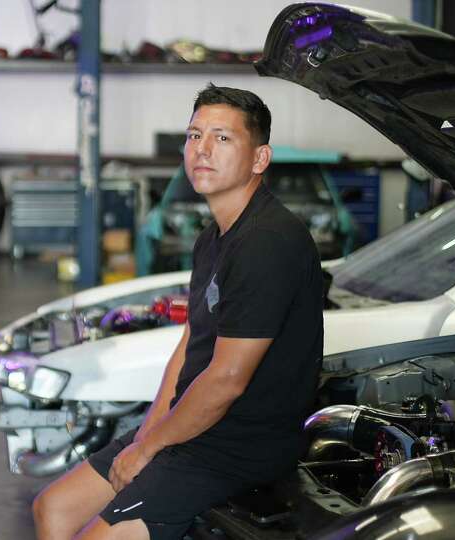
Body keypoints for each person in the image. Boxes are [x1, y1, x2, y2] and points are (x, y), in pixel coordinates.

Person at [32, 84, 324, 540]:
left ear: (259, 159)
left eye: (223, 138)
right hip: (191, 431)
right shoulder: (213, 237)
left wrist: (151, 447)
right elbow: (192, 342)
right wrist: (148, 432)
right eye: (194, 135)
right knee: (53, 508)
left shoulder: (267, 242)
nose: (202, 149)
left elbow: (226, 380)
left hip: (238, 446)